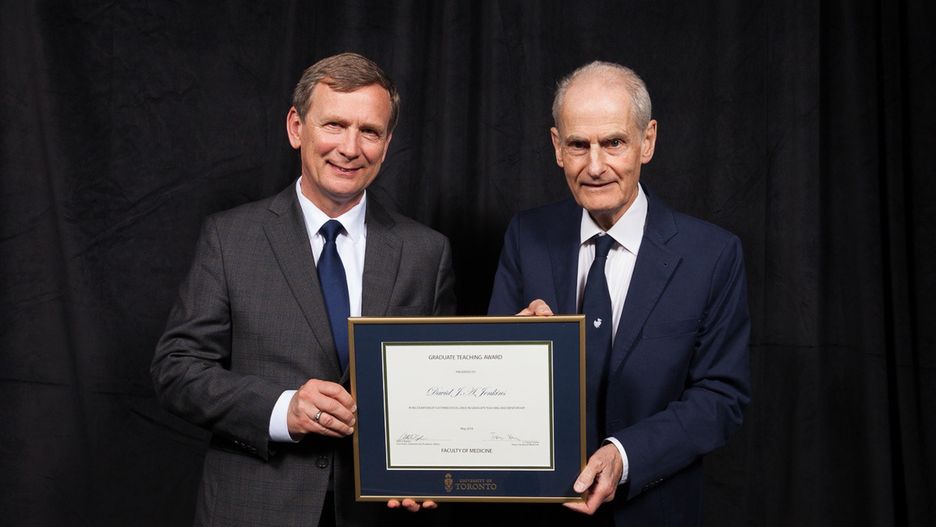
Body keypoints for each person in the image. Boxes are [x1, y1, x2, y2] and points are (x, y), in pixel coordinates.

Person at [151, 52, 455, 526]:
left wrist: (430, 469)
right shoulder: (230, 238)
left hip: (378, 512)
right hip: (254, 509)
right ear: (297, 128)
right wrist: (282, 409)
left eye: (369, 131)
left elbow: (441, 389)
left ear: (387, 143)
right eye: (334, 125)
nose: (350, 148)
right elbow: (176, 370)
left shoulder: (426, 252)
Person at [488, 61, 751, 525]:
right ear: (557, 147)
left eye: (613, 143)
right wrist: (514, 352)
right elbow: (490, 386)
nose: (595, 167)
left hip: (653, 511)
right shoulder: (526, 236)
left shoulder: (712, 255)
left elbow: (720, 396)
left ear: (647, 141)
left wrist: (624, 456)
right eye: (578, 145)